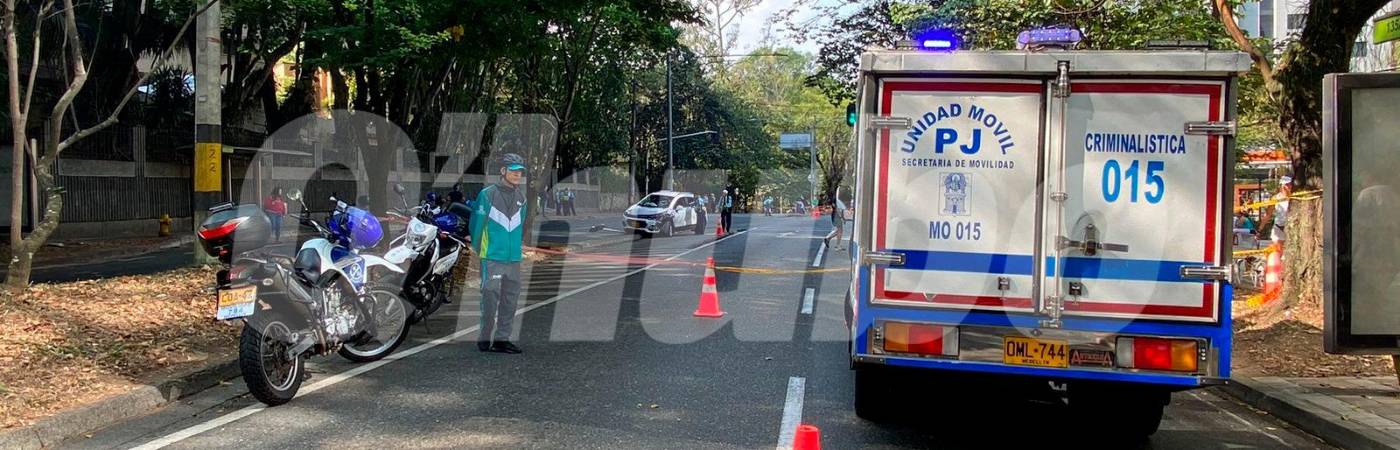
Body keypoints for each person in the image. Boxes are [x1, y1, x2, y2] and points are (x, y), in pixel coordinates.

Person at [471, 153, 529, 354]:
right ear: (503, 171)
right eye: (513, 170)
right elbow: (476, 226)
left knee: (510, 300)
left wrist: (518, 250)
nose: (517, 175)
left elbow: (520, 226)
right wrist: (481, 251)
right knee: (489, 296)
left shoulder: (522, 198)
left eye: (520, 171)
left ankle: (502, 339)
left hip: (513, 259)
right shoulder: (487, 195)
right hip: (492, 257)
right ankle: (485, 336)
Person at [1261, 175, 1292, 246]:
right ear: (1282, 186)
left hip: (1292, 227)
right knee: (1277, 250)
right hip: (1279, 227)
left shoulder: (1295, 197)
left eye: (1290, 184)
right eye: (1287, 184)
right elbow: (1268, 214)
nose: (1289, 186)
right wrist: (1260, 229)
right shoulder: (1275, 198)